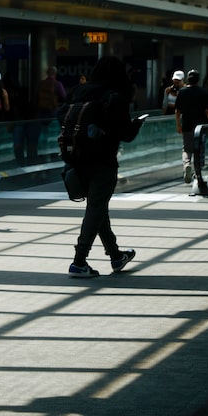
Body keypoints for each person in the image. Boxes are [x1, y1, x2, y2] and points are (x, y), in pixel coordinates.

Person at [58, 55, 144, 278]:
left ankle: (116, 256)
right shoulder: (115, 96)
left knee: (98, 207)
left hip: (76, 158)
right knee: (96, 207)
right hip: (103, 160)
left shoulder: (79, 91)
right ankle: (79, 261)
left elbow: (62, 117)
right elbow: (126, 134)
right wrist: (137, 124)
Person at [175, 69, 208, 183]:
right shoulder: (203, 92)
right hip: (201, 127)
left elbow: (177, 111)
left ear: (188, 79)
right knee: (200, 150)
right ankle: (198, 173)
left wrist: (178, 125)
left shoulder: (182, 92)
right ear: (198, 80)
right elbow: (207, 111)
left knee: (187, 149)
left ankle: (187, 164)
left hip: (186, 124)